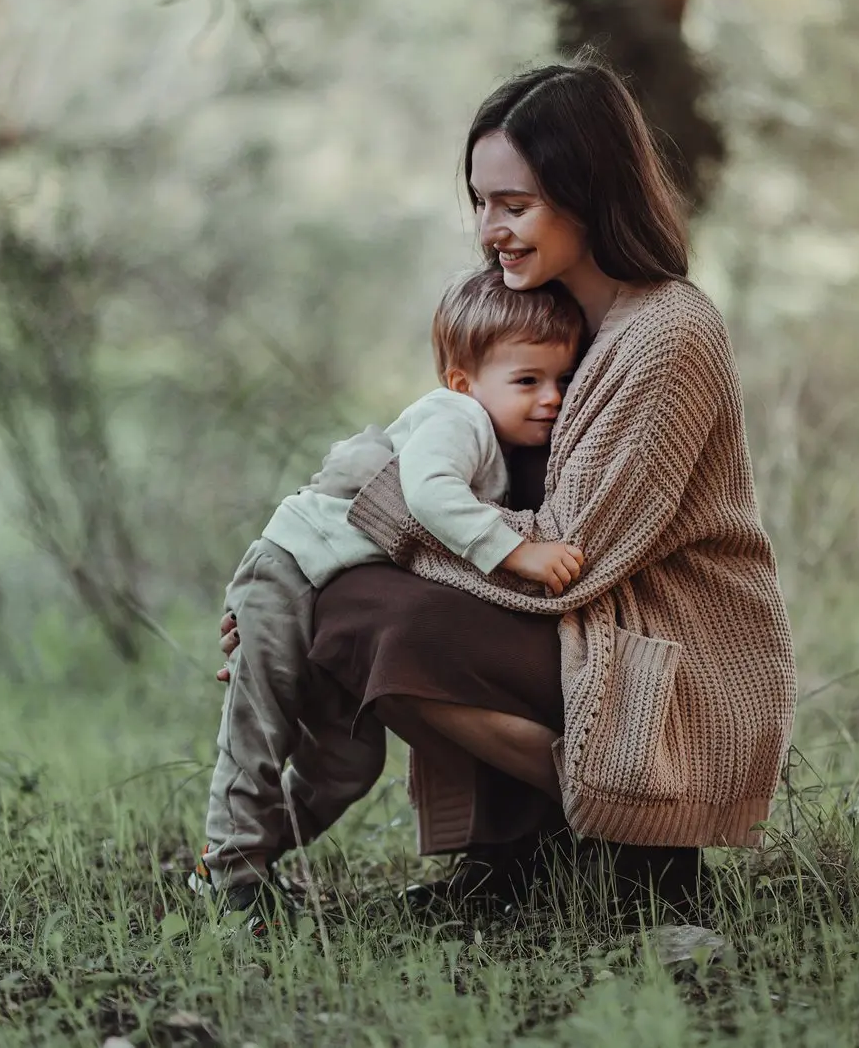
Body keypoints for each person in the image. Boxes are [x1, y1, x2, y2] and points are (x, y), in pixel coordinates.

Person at [216, 57, 798, 918]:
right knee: (339, 605)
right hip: (579, 623)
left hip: (664, 644)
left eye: (515, 205)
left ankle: (636, 841)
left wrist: (362, 543)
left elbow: (572, 554)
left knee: (368, 614)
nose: (490, 228)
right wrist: (289, 584)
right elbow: (430, 457)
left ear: (588, 190)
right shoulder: (538, 317)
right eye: (482, 203)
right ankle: (521, 863)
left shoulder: (668, 333)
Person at [190, 268, 587, 933]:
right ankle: (231, 876)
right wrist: (519, 553)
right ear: (465, 381)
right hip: (291, 569)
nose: (551, 398)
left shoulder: (489, 430)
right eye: (528, 381)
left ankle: (240, 855)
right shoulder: (456, 419)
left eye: (561, 380)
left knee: (347, 763)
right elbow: (431, 495)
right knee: (260, 728)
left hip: (333, 591)